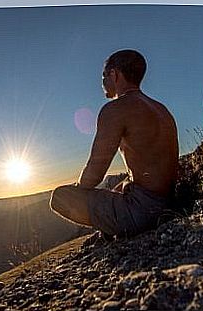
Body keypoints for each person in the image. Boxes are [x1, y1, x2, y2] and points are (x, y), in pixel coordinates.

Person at [49, 49, 179, 239]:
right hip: (170, 201)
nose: (102, 83)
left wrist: (79, 188)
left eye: (104, 76)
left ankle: (117, 226)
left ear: (114, 74)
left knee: (60, 197)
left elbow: (95, 170)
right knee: (119, 185)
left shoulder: (115, 109)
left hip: (144, 213)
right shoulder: (160, 109)